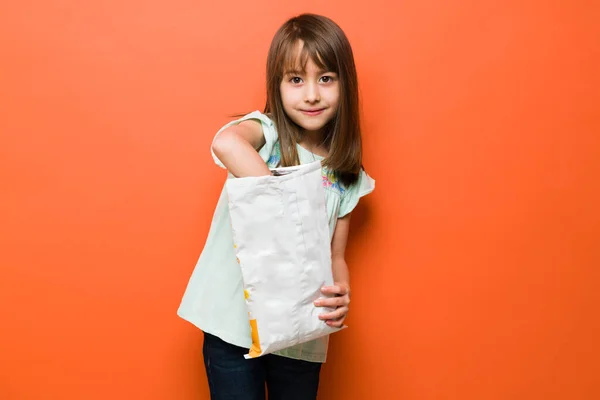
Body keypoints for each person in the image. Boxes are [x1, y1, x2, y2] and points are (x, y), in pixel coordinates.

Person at [178, 13, 375, 400]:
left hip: (299, 331)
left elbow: (336, 255)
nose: (312, 94)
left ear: (344, 85)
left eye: (326, 79)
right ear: (278, 85)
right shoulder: (265, 135)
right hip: (234, 323)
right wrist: (284, 206)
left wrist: (342, 290)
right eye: (296, 79)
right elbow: (226, 143)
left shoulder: (345, 174)